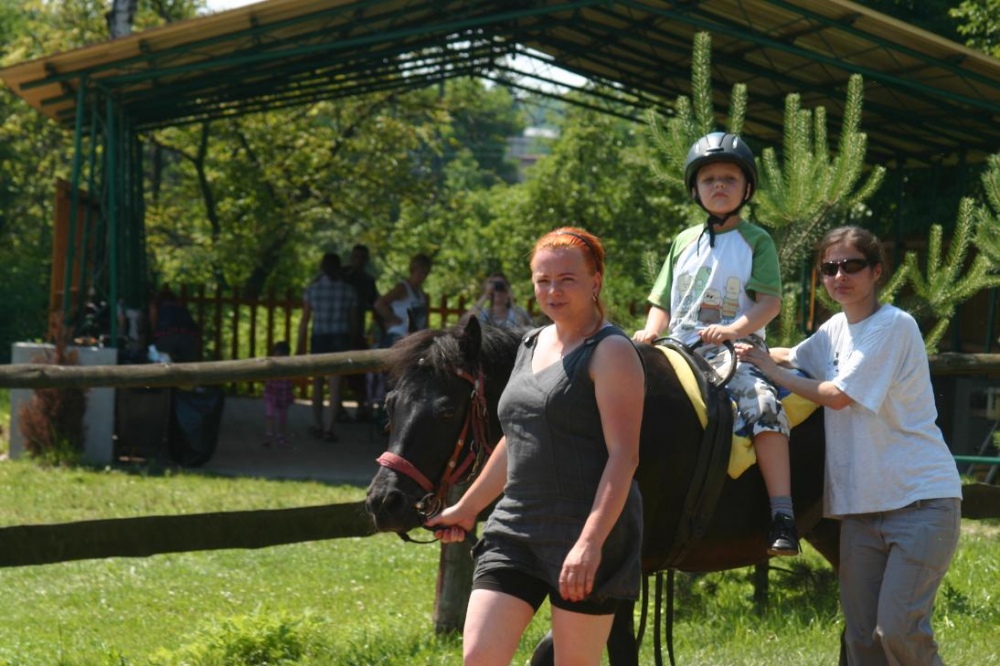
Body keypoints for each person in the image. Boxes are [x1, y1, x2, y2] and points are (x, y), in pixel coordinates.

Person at [738, 225, 962, 666]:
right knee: (862, 641)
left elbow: (837, 396)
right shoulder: (836, 329)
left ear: (877, 271)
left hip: (920, 504)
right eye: (829, 268)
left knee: (898, 631)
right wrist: (738, 343)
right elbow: (792, 355)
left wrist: (770, 370)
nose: (839, 276)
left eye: (852, 266)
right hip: (860, 511)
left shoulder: (893, 325)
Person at [426, 227, 645, 666]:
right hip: (515, 528)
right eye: (543, 280)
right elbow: (518, 437)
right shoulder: (531, 342)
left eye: (567, 279)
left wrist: (590, 543)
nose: (553, 291)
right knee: (479, 657)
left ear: (595, 281)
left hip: (584, 531)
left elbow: (624, 457)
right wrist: (468, 508)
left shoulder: (611, 352)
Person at [633, 131, 799, 556]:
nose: (719, 185)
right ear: (695, 189)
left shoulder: (756, 240)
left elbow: (770, 303)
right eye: (709, 179)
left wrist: (733, 329)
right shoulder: (682, 241)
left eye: (729, 178)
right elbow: (662, 302)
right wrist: (650, 330)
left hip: (734, 352)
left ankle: (782, 513)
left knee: (764, 404)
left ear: (747, 188)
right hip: (676, 350)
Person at [297, 252, 359, 443]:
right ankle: (329, 428)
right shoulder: (348, 290)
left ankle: (318, 424)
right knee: (335, 386)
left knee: (317, 383)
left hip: (319, 338)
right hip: (340, 338)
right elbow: (353, 321)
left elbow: (305, 320)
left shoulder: (313, 289)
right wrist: (354, 341)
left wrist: (300, 344)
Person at [341, 243, 380, 422]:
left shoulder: (368, 280)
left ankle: (361, 406)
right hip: (340, 330)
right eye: (356, 257)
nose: (359, 261)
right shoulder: (341, 276)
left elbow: (375, 304)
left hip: (358, 331)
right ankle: (338, 407)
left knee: (360, 371)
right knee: (339, 371)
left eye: (362, 258)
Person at [374, 252, 432, 347]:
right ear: (413, 270)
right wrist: (392, 318)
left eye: (425, 274)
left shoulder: (422, 295)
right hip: (398, 335)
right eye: (420, 273)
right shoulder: (402, 288)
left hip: (413, 339)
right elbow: (379, 304)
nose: (422, 277)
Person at [149, 286, 201, 363]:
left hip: (166, 336)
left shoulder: (157, 306)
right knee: (189, 363)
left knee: (164, 362)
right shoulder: (180, 306)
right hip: (188, 337)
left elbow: (153, 322)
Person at [465, 272, 533, 329]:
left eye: (501, 286)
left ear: (507, 289)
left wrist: (511, 299)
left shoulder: (517, 312)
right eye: (494, 286)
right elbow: (464, 323)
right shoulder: (483, 314)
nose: (498, 290)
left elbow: (526, 326)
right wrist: (485, 295)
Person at [262, 340, 295, 449]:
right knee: (270, 414)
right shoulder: (270, 365)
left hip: (284, 395)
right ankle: (269, 435)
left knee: (282, 417)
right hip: (271, 394)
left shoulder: (289, 367)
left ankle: (281, 436)